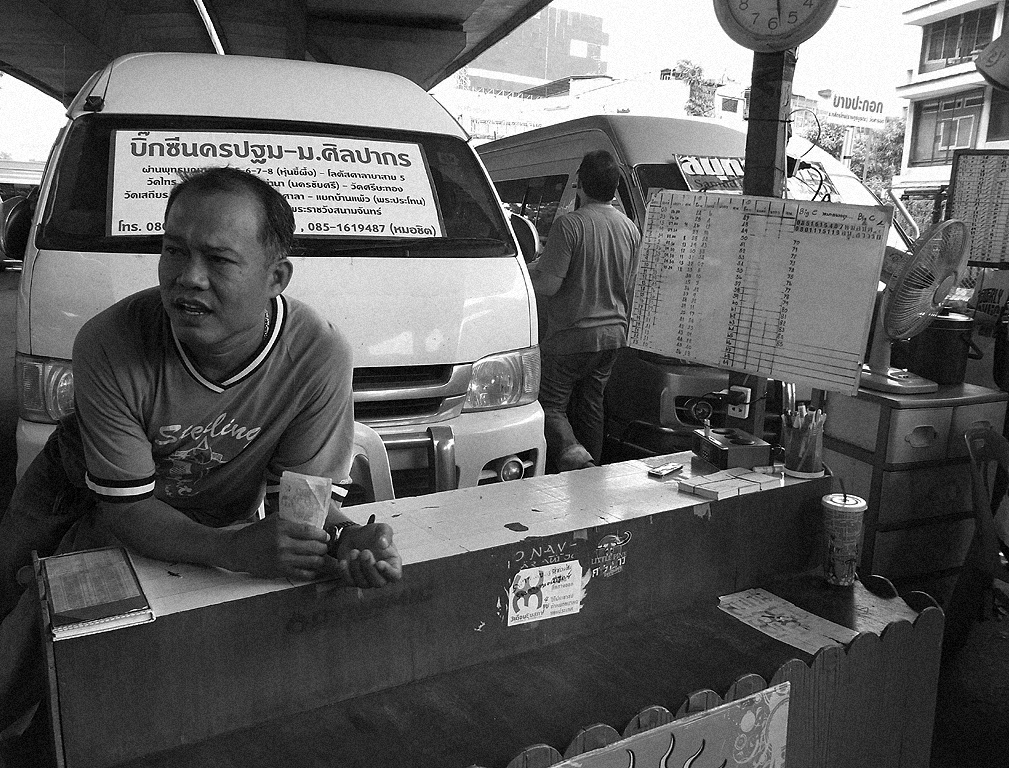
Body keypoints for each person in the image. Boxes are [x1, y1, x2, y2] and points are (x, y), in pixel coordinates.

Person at [0, 166, 402, 744]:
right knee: (16, 625)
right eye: (173, 252)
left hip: (205, 515)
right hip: (75, 488)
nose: (188, 279)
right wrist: (233, 547)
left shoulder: (318, 357)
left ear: (276, 277)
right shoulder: (111, 343)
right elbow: (125, 512)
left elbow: (300, 506)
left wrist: (340, 542)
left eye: (218, 260)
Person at [528, 150, 641, 472]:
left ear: (580, 182)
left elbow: (549, 285)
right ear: (615, 187)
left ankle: (576, 459)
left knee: (550, 405)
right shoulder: (629, 228)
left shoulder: (570, 225)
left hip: (572, 335)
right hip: (613, 335)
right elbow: (627, 283)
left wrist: (526, 276)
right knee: (591, 405)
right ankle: (593, 473)